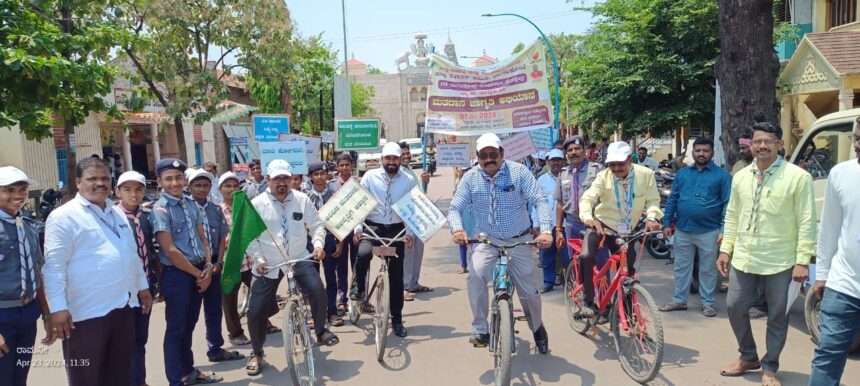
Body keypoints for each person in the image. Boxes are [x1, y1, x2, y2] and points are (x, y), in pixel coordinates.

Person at [716, 122, 816, 386]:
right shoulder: (740, 177)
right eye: (757, 141)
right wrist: (726, 249)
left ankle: (770, 366)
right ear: (751, 145)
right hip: (745, 256)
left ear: (779, 145)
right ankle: (748, 356)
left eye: (768, 141)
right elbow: (733, 215)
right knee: (734, 306)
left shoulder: (797, 177)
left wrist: (802, 260)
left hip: (781, 259)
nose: (762, 146)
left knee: (777, 314)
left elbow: (806, 220)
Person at [43, 157, 151, 386]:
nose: (100, 183)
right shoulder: (64, 216)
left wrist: (142, 287)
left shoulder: (116, 213)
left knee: (119, 373)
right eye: (92, 178)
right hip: (85, 314)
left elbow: (131, 254)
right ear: (78, 182)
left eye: (104, 178)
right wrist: (58, 308)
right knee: (86, 377)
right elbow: (54, 266)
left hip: (123, 306)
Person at [448, 133, 554, 354]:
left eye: (493, 154)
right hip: (487, 239)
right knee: (475, 274)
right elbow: (455, 207)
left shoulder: (519, 172)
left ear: (502, 154)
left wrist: (545, 230)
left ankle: (537, 327)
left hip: (520, 239)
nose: (489, 159)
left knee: (529, 292)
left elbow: (539, 201)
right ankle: (480, 329)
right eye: (484, 155)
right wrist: (457, 228)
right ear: (477, 157)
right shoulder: (470, 178)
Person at [245, 159, 337, 376]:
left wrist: (318, 245)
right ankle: (257, 352)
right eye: (277, 178)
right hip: (269, 264)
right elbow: (249, 238)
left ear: (292, 179)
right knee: (255, 310)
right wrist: (259, 261)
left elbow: (317, 226)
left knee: (317, 289)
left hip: (299, 258)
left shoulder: (302, 200)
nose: (282, 183)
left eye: (285, 178)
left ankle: (321, 330)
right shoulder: (256, 204)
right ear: (268, 180)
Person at [150, 158, 221, 386]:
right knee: (176, 329)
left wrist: (208, 266)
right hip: (179, 275)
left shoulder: (190, 203)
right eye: (168, 178)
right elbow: (170, 251)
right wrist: (198, 273)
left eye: (178, 178)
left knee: (189, 325)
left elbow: (203, 238)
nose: (174, 183)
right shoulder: (160, 209)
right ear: (159, 181)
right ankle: (175, 379)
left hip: (199, 270)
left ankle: (188, 371)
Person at [579, 142, 663, 316]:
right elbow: (587, 199)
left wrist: (652, 218)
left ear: (629, 160)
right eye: (612, 164)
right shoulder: (604, 177)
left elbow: (653, 201)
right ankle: (588, 301)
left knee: (626, 272)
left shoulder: (646, 175)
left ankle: (629, 316)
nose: (616, 169)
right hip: (602, 226)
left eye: (620, 164)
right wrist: (589, 219)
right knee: (586, 256)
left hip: (627, 230)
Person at [809, 117, 860, 386]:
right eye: (857, 139)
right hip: (844, 286)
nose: (859, 146)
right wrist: (822, 274)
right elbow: (829, 229)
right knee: (828, 354)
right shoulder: (841, 173)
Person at [350, 142, 418, 338]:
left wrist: (410, 234)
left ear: (399, 160)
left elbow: (412, 209)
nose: (391, 162)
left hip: (396, 230)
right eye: (388, 158)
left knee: (396, 279)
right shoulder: (370, 177)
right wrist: (357, 229)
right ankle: (358, 288)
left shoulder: (407, 180)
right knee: (362, 254)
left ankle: (397, 320)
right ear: (382, 159)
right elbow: (360, 203)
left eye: (395, 159)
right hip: (373, 227)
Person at [658, 137, 731, 317]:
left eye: (705, 151)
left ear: (712, 153)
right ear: (692, 152)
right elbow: (673, 199)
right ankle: (679, 301)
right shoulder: (683, 174)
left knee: (707, 269)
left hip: (709, 231)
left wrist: (723, 230)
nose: (701, 154)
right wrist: (667, 222)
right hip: (683, 229)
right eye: (698, 150)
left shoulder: (722, 176)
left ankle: (708, 303)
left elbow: (727, 204)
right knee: (681, 267)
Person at [0, 167, 53, 386]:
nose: (18, 196)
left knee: (20, 376)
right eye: (9, 190)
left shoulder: (28, 225)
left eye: (22, 190)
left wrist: (46, 314)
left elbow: (36, 271)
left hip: (27, 312)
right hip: (3, 315)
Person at [187, 169, 244, 363]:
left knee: (214, 310)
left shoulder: (214, 209)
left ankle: (215, 349)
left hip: (214, 265)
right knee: (189, 316)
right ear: (190, 187)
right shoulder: (184, 207)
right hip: (191, 267)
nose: (202, 189)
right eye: (198, 185)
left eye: (205, 186)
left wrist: (218, 262)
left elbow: (221, 237)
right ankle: (185, 363)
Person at [115, 171, 161, 386]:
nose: (133, 194)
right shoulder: (113, 218)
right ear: (118, 192)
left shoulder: (148, 217)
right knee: (124, 341)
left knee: (140, 338)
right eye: (127, 189)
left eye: (138, 189)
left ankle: (139, 380)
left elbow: (152, 251)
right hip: (123, 289)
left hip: (147, 285)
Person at [553, 135, 604, 284]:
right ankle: (582, 297)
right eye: (570, 150)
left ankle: (604, 301)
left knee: (600, 262)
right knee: (575, 261)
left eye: (577, 148)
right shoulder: (563, 173)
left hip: (595, 224)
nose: (574, 152)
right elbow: (560, 204)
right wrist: (558, 230)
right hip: (572, 224)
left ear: (585, 150)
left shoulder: (597, 170)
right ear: (566, 154)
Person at [303, 161, 346, 327]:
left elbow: (342, 219)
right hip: (309, 241)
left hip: (329, 239)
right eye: (316, 174)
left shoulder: (335, 193)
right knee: (313, 280)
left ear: (327, 174)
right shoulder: (304, 196)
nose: (320, 177)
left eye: (322, 173)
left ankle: (333, 312)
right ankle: (315, 314)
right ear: (310, 177)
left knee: (331, 278)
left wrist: (340, 241)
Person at [398, 142, 432, 301]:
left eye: (407, 153)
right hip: (405, 219)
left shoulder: (410, 171)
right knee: (407, 254)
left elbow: (420, 196)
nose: (406, 156)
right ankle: (404, 286)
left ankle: (413, 283)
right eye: (402, 154)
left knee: (418, 253)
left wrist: (425, 183)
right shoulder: (398, 174)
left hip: (418, 218)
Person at [537, 149, 568, 293]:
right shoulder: (542, 180)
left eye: (558, 159)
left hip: (565, 224)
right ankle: (548, 282)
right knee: (547, 255)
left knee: (567, 255)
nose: (556, 162)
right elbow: (535, 203)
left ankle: (569, 283)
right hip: (547, 224)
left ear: (563, 161)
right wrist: (536, 224)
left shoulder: (569, 176)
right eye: (553, 160)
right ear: (548, 162)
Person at [328, 153, 360, 282]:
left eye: (347, 165)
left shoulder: (359, 183)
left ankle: (358, 296)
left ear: (352, 166)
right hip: (339, 231)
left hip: (356, 230)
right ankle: (342, 300)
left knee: (357, 264)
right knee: (341, 266)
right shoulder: (331, 186)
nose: (345, 167)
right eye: (342, 165)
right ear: (337, 167)